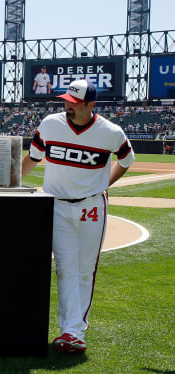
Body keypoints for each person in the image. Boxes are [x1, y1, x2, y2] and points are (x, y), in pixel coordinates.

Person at [22, 79, 135, 354]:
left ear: (90, 104)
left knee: (85, 269)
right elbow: (33, 158)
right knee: (65, 267)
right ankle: (71, 331)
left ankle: (75, 331)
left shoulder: (110, 131)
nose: (68, 107)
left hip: (91, 206)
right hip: (57, 205)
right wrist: (5, 184)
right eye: (66, 101)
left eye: (74, 103)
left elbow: (127, 159)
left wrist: (104, 184)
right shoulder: (50, 124)